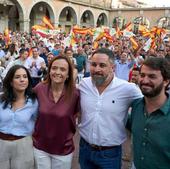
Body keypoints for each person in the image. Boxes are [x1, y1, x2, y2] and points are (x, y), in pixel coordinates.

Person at [78, 48, 142, 169]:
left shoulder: (128, 89)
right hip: (84, 149)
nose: (97, 69)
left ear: (113, 67)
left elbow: (150, 101)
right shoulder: (83, 84)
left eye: (102, 65)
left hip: (110, 154)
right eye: (94, 64)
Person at [33, 55, 80, 169]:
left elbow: (78, 116)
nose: (57, 72)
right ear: (49, 71)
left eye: (63, 69)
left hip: (63, 149)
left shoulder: (75, 94)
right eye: (54, 68)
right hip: (40, 147)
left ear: (68, 74)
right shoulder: (40, 88)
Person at [127, 57, 170, 169]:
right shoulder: (136, 106)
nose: (145, 80)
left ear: (166, 81)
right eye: (142, 75)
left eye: (152, 76)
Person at [0, 65, 38, 169]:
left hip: (23, 144)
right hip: (1, 144)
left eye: (25, 77)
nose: (22, 80)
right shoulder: (1, 99)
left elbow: (38, 121)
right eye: (17, 77)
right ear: (11, 82)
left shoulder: (33, 102)